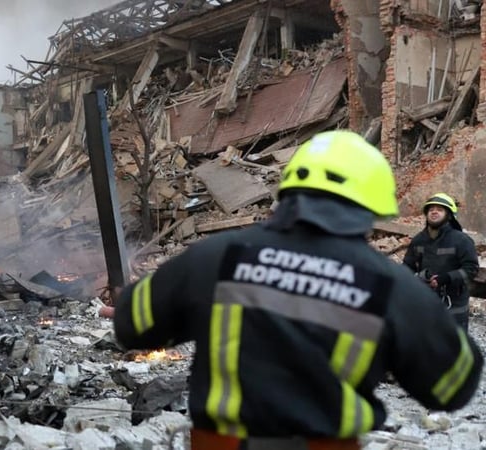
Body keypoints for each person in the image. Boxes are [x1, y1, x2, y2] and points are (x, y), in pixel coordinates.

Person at [112, 130, 483, 450]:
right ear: (370, 209)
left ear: (289, 190)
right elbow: (454, 386)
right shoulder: (391, 288)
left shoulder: (214, 258)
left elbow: (132, 324)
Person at [403, 193, 479, 331]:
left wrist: (447, 278)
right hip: (425, 301)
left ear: (449, 215)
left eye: (439, 209)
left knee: (454, 345)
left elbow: (471, 269)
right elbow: (408, 266)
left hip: (454, 304)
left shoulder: (461, 240)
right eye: (431, 209)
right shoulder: (419, 240)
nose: (434, 212)